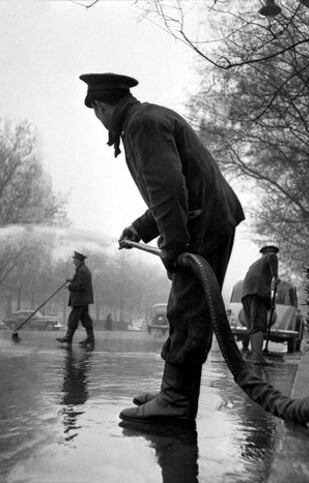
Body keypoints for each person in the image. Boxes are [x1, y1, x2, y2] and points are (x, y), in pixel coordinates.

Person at [79, 72, 245, 425]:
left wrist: (174, 243)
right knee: (187, 307)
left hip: (203, 222)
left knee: (186, 310)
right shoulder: (147, 119)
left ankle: (176, 401)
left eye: (96, 112)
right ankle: (176, 393)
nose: (98, 120)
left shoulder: (141, 126)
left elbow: (169, 189)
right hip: (207, 217)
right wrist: (141, 229)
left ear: (103, 106)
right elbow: (170, 189)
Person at [241, 245, 279, 365]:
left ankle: (256, 356)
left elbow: (262, 284)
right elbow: (263, 286)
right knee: (259, 325)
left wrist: (269, 305)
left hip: (246, 294)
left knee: (253, 326)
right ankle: (258, 358)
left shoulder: (255, 264)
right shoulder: (271, 256)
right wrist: (276, 277)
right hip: (257, 293)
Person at [56, 251, 95, 347]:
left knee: (73, 319)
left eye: (74, 259)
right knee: (85, 319)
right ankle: (90, 338)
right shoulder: (82, 269)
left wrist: (70, 286)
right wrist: (71, 280)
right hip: (83, 299)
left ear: (79, 260)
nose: (73, 261)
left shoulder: (82, 270)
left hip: (80, 300)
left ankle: (68, 337)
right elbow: (80, 282)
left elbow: (81, 285)